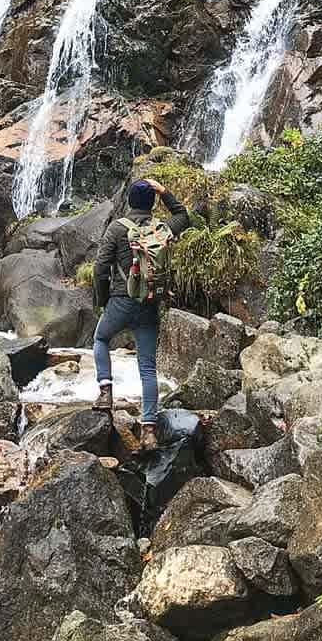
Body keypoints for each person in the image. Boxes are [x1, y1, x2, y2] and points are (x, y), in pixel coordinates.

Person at [91, 176, 194, 451]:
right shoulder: (162, 229)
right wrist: (164, 191)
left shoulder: (116, 229)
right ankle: (149, 431)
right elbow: (184, 215)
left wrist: (102, 301)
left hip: (120, 302)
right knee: (148, 368)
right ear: (151, 203)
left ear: (129, 201)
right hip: (149, 304)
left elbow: (100, 268)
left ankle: (105, 392)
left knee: (101, 339)